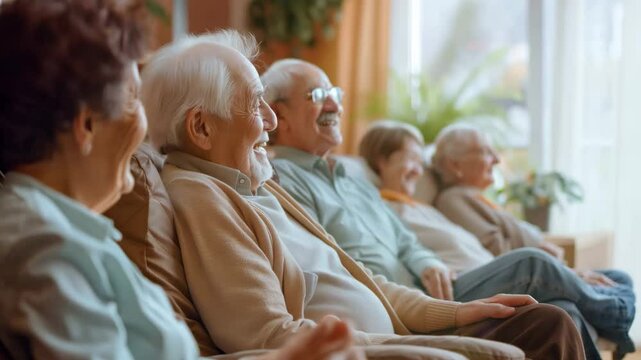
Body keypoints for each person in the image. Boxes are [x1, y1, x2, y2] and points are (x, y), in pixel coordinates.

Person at [142, 31, 585, 359]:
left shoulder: (256, 185)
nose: (270, 123)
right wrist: (418, 343)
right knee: (539, 331)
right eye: (255, 104)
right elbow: (268, 336)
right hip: (367, 349)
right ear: (201, 128)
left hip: (393, 333)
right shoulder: (203, 197)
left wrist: (455, 312)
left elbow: (363, 281)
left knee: (548, 321)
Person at [0, 1, 363, 359]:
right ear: (87, 125)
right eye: (132, 99)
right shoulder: (45, 247)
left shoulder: (69, 230)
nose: (147, 125)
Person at [358, 120, 637, 359]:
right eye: (411, 160)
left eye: (421, 162)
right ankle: (616, 313)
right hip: (460, 287)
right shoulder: (388, 211)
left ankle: (611, 314)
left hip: (489, 275)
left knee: (564, 312)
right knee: (532, 261)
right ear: (382, 161)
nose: (419, 170)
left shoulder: (424, 207)